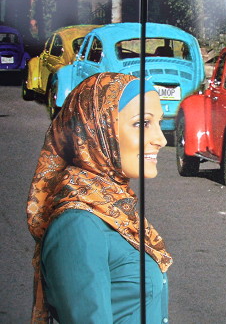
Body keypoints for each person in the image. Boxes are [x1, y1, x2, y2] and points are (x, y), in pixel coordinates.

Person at [26, 72, 173, 323]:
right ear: (97, 129)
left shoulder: (111, 204)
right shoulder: (78, 224)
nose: (161, 139)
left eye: (159, 122)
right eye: (142, 123)